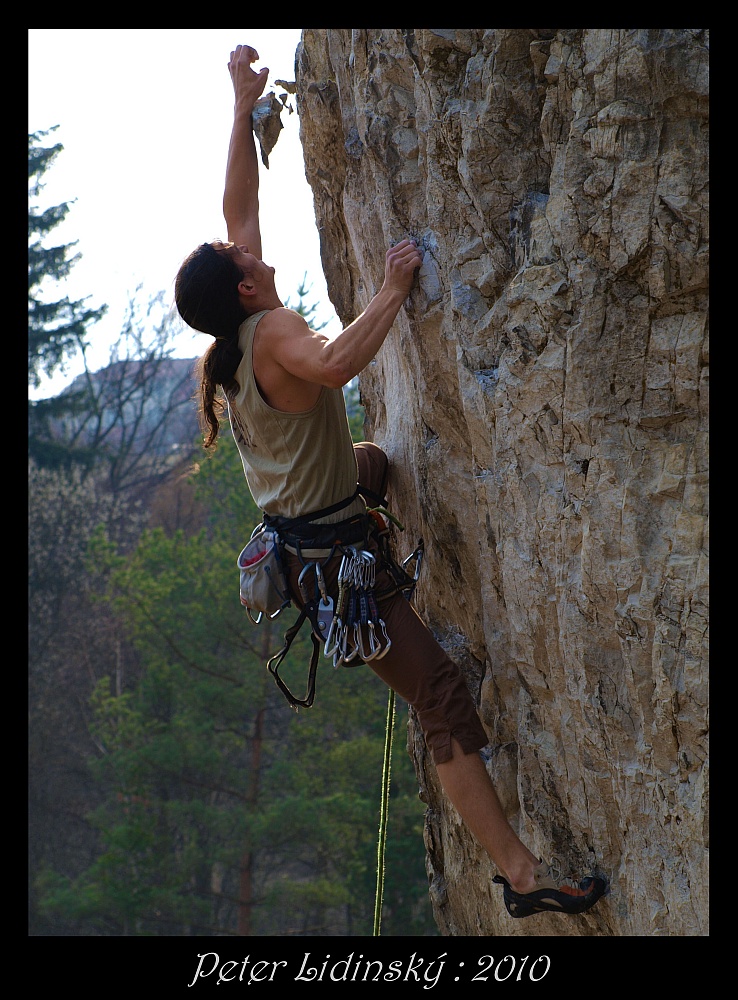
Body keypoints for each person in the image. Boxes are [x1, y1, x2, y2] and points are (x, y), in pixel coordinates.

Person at [174, 43, 608, 919]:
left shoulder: (232, 338)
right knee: (440, 696)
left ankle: (377, 483)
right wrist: (390, 288)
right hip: (336, 566)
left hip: (311, 531)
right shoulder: (275, 335)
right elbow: (334, 366)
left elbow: (239, 203)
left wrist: (238, 105)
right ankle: (522, 878)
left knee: (376, 463)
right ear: (246, 284)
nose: (242, 247)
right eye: (238, 256)